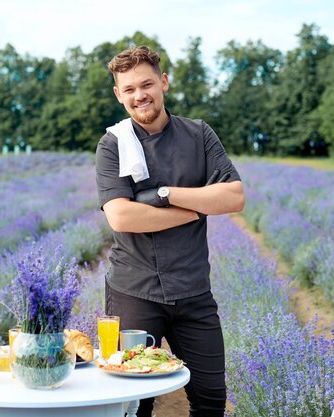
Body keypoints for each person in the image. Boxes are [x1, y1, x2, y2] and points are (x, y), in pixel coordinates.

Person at [95, 45, 245, 417]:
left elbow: (234, 196)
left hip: (193, 290)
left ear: (163, 83)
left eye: (146, 84)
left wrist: (164, 195)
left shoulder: (199, 135)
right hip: (135, 291)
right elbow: (122, 217)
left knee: (210, 400)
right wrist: (196, 209)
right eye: (128, 89)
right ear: (118, 95)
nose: (139, 95)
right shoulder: (113, 144)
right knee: (132, 405)